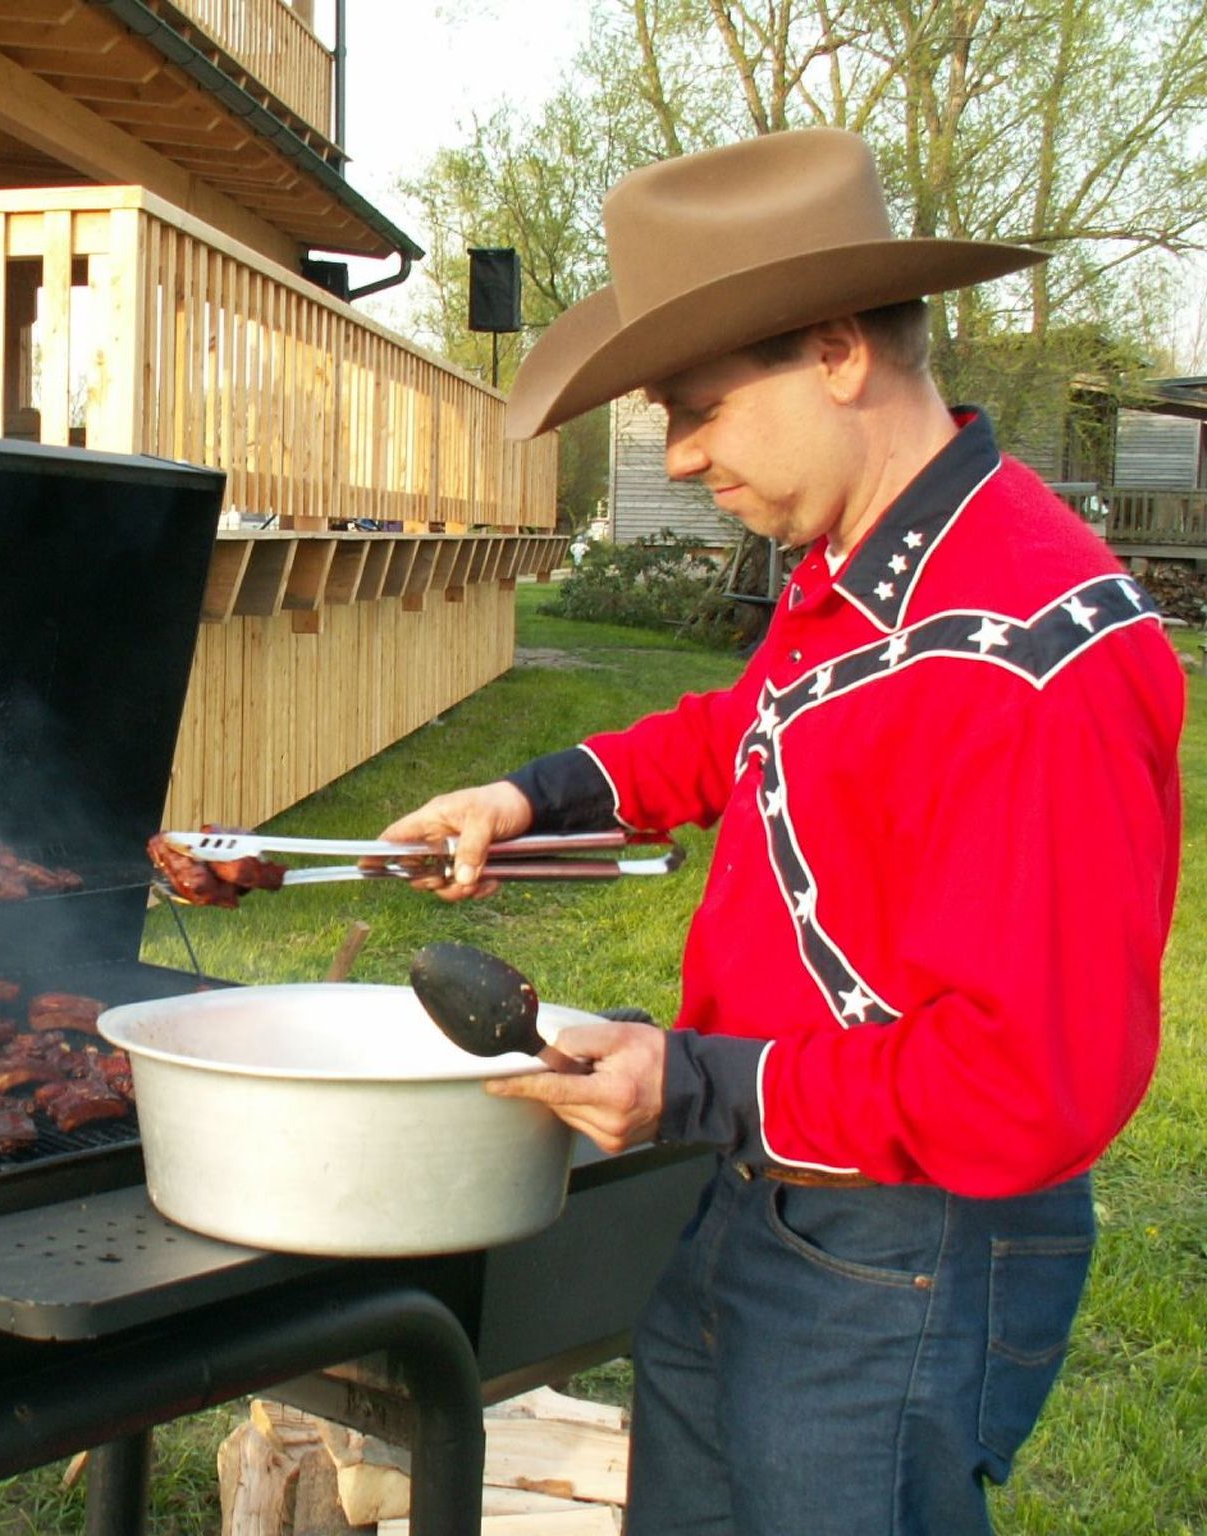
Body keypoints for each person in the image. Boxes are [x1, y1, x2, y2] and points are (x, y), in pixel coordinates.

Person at [378, 128, 1184, 1535]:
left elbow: (1024, 1089)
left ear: (834, 349)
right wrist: (532, 795)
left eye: (698, 409)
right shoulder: (864, 568)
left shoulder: (1036, 663)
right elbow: (747, 726)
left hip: (904, 1257)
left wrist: (693, 1087)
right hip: (744, 1189)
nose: (682, 459)